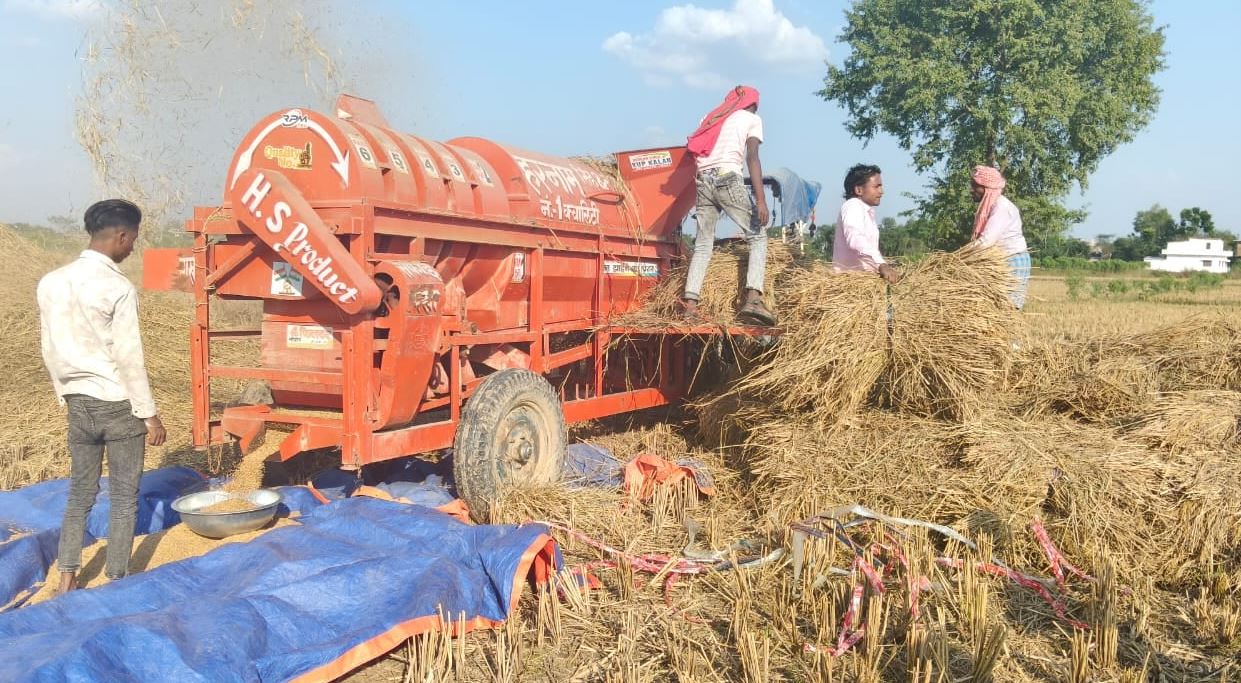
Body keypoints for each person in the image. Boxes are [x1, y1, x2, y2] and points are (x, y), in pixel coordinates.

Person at [37, 199, 167, 594]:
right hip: (117, 403)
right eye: (132, 242)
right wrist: (149, 414)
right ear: (122, 236)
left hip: (77, 402)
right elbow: (129, 357)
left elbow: (49, 347)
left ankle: (67, 577)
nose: (131, 250)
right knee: (126, 495)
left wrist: (66, 394)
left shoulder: (52, 281)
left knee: (80, 492)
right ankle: (116, 579)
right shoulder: (117, 287)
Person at [682, 85, 774, 325]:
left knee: (703, 245)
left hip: (703, 180)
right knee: (758, 235)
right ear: (752, 104)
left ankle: (690, 304)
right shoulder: (751, 118)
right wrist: (761, 201)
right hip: (727, 178)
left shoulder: (710, 117)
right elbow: (752, 157)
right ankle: (753, 298)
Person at [969, 165, 1030, 309]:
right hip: (998, 261)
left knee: (1007, 310)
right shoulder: (991, 206)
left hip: (1012, 260)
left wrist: (958, 257)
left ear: (987, 188)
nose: (971, 190)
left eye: (975, 186)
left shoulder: (1001, 207)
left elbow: (986, 242)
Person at [832, 164, 901, 284]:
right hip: (849, 283)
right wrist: (881, 265)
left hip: (861, 282)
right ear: (859, 190)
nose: (881, 191)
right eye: (876, 186)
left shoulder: (866, 211)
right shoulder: (853, 205)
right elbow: (855, 238)